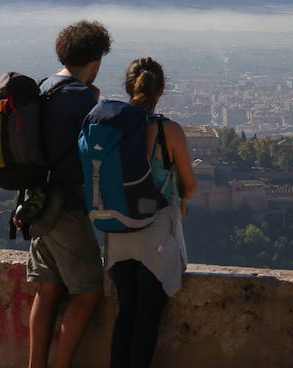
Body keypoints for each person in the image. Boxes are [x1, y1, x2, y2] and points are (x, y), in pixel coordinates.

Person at [25, 20, 112, 368]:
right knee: (88, 292)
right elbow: (98, 152)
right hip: (67, 207)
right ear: (97, 59)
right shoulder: (80, 98)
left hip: (37, 204)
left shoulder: (44, 87)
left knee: (46, 292)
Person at [105, 57, 198, 368]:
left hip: (116, 232)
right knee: (147, 316)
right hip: (154, 234)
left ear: (129, 87)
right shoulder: (168, 131)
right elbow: (191, 186)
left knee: (126, 311)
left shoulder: (111, 127)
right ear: (161, 90)